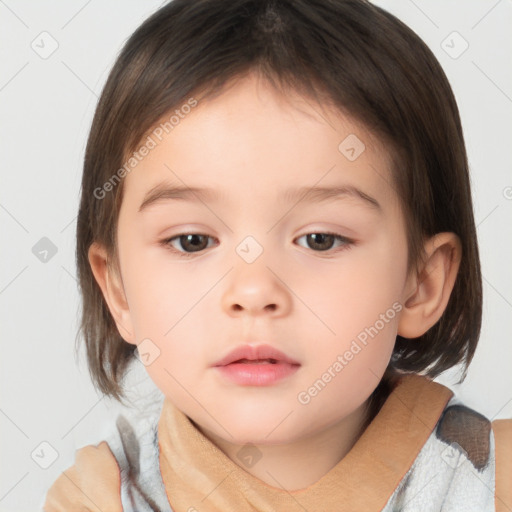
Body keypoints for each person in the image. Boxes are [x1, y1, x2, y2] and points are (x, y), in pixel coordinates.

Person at [43, 0, 512, 510]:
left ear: (420, 283)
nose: (253, 292)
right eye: (192, 241)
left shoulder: (490, 483)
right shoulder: (101, 498)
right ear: (118, 290)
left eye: (320, 240)